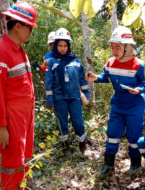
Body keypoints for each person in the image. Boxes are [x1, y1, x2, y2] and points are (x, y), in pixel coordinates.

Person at [86, 26, 145, 177]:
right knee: (112, 133)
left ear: (127, 47)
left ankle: (135, 165)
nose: (114, 50)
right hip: (117, 103)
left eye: (118, 47)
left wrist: (139, 89)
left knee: (134, 136)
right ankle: (108, 165)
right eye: (112, 47)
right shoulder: (110, 62)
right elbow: (106, 77)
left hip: (135, 104)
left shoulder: (139, 65)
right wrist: (96, 78)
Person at [0, 2, 37, 189]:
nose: (30, 33)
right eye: (29, 28)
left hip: (25, 117)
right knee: (12, 163)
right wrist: (2, 126)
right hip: (12, 118)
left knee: (24, 159)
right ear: (18, 26)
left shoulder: (20, 51)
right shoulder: (0, 51)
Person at [45, 28, 90, 157]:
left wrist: (85, 95)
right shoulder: (51, 62)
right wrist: (50, 101)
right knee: (62, 123)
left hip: (75, 97)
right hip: (59, 98)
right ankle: (65, 147)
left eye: (65, 45)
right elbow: (49, 84)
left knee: (78, 122)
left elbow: (82, 80)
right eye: (60, 45)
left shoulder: (75, 61)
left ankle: (83, 144)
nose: (63, 48)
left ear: (68, 46)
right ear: (56, 46)